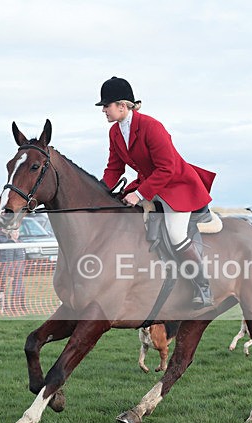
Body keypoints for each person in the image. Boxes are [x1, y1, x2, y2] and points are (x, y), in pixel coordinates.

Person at [97, 76, 216, 309]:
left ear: (122, 105)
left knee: (175, 234)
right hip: (149, 185)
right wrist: (101, 192)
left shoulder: (152, 127)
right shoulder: (115, 132)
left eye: (106, 105)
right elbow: (114, 168)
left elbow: (167, 168)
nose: (103, 109)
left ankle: (203, 286)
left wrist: (140, 194)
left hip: (176, 186)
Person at [0, 227, 27, 313]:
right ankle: (7, 306)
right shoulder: (0, 239)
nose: (16, 234)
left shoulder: (20, 241)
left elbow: (22, 255)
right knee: (6, 287)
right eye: (14, 232)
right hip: (6, 267)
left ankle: (20, 306)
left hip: (18, 269)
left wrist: (23, 267)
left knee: (20, 288)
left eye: (17, 232)